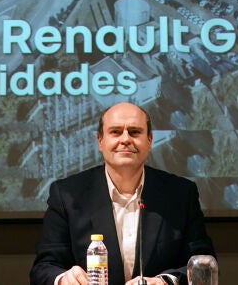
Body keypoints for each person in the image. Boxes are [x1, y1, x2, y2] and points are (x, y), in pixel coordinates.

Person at [30, 101, 216, 285]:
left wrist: (165, 282)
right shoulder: (67, 194)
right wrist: (63, 279)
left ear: (149, 141)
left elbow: (204, 263)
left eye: (134, 132)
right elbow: (44, 268)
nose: (125, 139)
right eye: (115, 132)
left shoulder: (181, 193)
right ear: (100, 141)